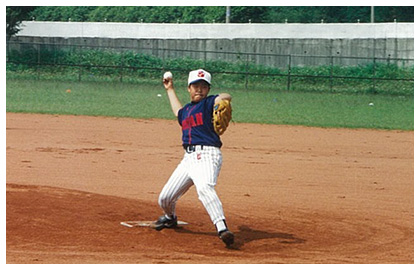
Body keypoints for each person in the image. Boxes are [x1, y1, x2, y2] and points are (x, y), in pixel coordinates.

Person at [153, 69, 234, 247]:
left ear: (208, 89)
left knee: (204, 188)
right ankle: (170, 218)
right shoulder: (187, 110)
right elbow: (177, 112)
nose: (199, 90)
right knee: (164, 198)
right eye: (196, 86)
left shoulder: (208, 104)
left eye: (203, 87)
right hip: (188, 159)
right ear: (189, 88)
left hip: (207, 155)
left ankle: (222, 229)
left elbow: (225, 96)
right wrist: (169, 89)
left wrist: (222, 100)